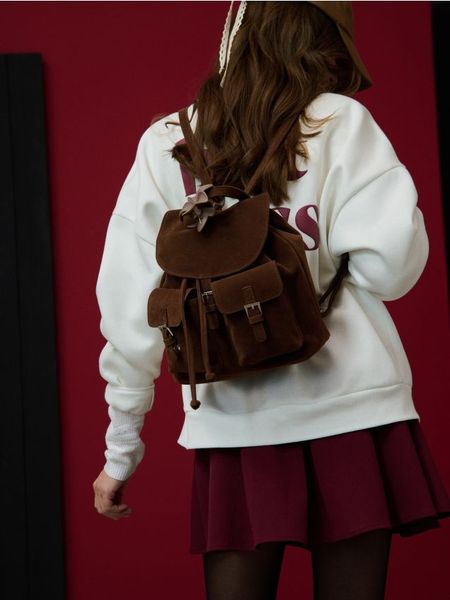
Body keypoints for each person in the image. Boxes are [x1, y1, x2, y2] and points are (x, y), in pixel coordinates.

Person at [92, 2, 450, 598]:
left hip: (233, 416)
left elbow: (130, 307)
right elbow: (392, 271)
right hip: (352, 407)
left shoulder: (167, 142)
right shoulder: (340, 121)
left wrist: (120, 451)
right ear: (324, 40)